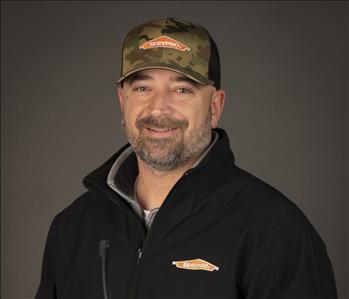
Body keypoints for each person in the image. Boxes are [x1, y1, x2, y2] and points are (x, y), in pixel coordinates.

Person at [35, 17, 337, 299]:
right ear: (122, 100)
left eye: (182, 89)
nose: (158, 108)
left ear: (215, 107)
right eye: (142, 87)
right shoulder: (74, 228)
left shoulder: (274, 233)